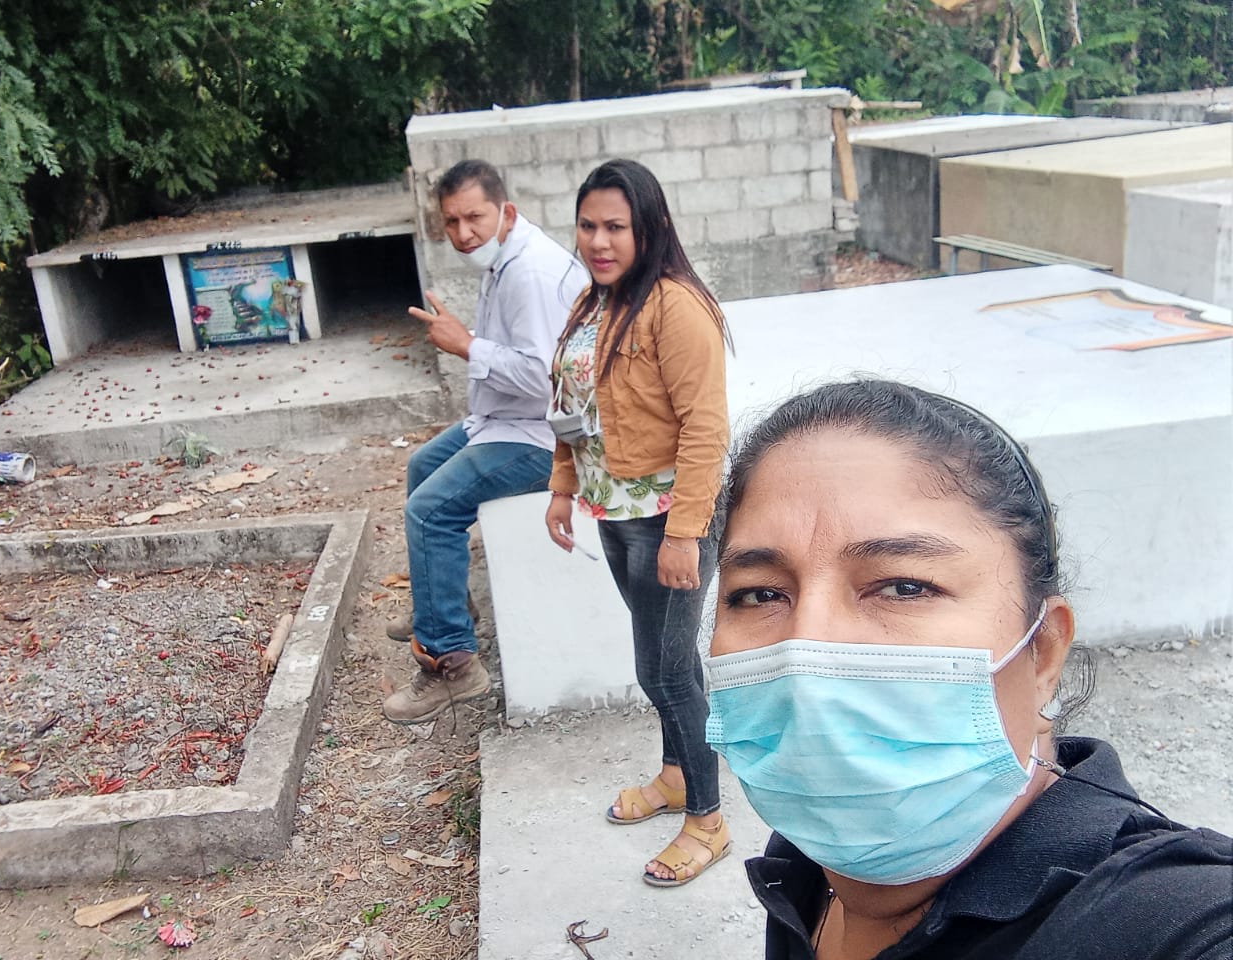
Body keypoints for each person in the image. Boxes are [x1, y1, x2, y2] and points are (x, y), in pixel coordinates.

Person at [705, 378, 1233, 959]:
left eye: (904, 586)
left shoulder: (1165, 921)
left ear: (1044, 652)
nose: (806, 653)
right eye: (759, 594)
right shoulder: (804, 863)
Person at [544, 159, 733, 886]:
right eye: (588, 225)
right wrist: (562, 489)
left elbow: (705, 427)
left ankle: (708, 821)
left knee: (666, 670)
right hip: (615, 514)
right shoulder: (593, 303)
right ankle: (678, 776)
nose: (598, 240)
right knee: (665, 663)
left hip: (665, 520)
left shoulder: (675, 307)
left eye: (615, 227)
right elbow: (571, 409)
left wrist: (685, 534)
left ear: (648, 228)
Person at [383, 159, 587, 725]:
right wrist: (471, 342)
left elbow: (546, 378)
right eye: (451, 221)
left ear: (506, 212)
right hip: (508, 419)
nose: (463, 232)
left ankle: (453, 665)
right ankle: (445, 608)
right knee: (421, 468)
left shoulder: (530, 273)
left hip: (548, 437)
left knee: (429, 511)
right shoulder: (505, 258)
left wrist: (468, 346)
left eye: (474, 217)